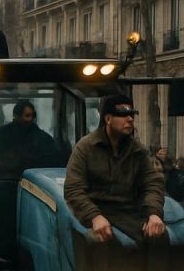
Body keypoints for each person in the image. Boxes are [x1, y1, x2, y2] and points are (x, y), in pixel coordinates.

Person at [64, 94, 165, 243]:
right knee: (98, 242)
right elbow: (73, 189)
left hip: (130, 213)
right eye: (123, 115)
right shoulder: (85, 148)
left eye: (131, 115)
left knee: (160, 237)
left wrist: (154, 213)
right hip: (97, 211)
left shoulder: (138, 151)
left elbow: (153, 183)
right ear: (108, 119)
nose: (130, 119)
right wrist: (94, 216)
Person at [0, 100, 61, 176]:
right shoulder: (2, 134)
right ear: (16, 116)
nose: (30, 119)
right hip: (4, 180)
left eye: (32, 116)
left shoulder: (43, 138)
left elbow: (53, 162)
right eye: (27, 116)